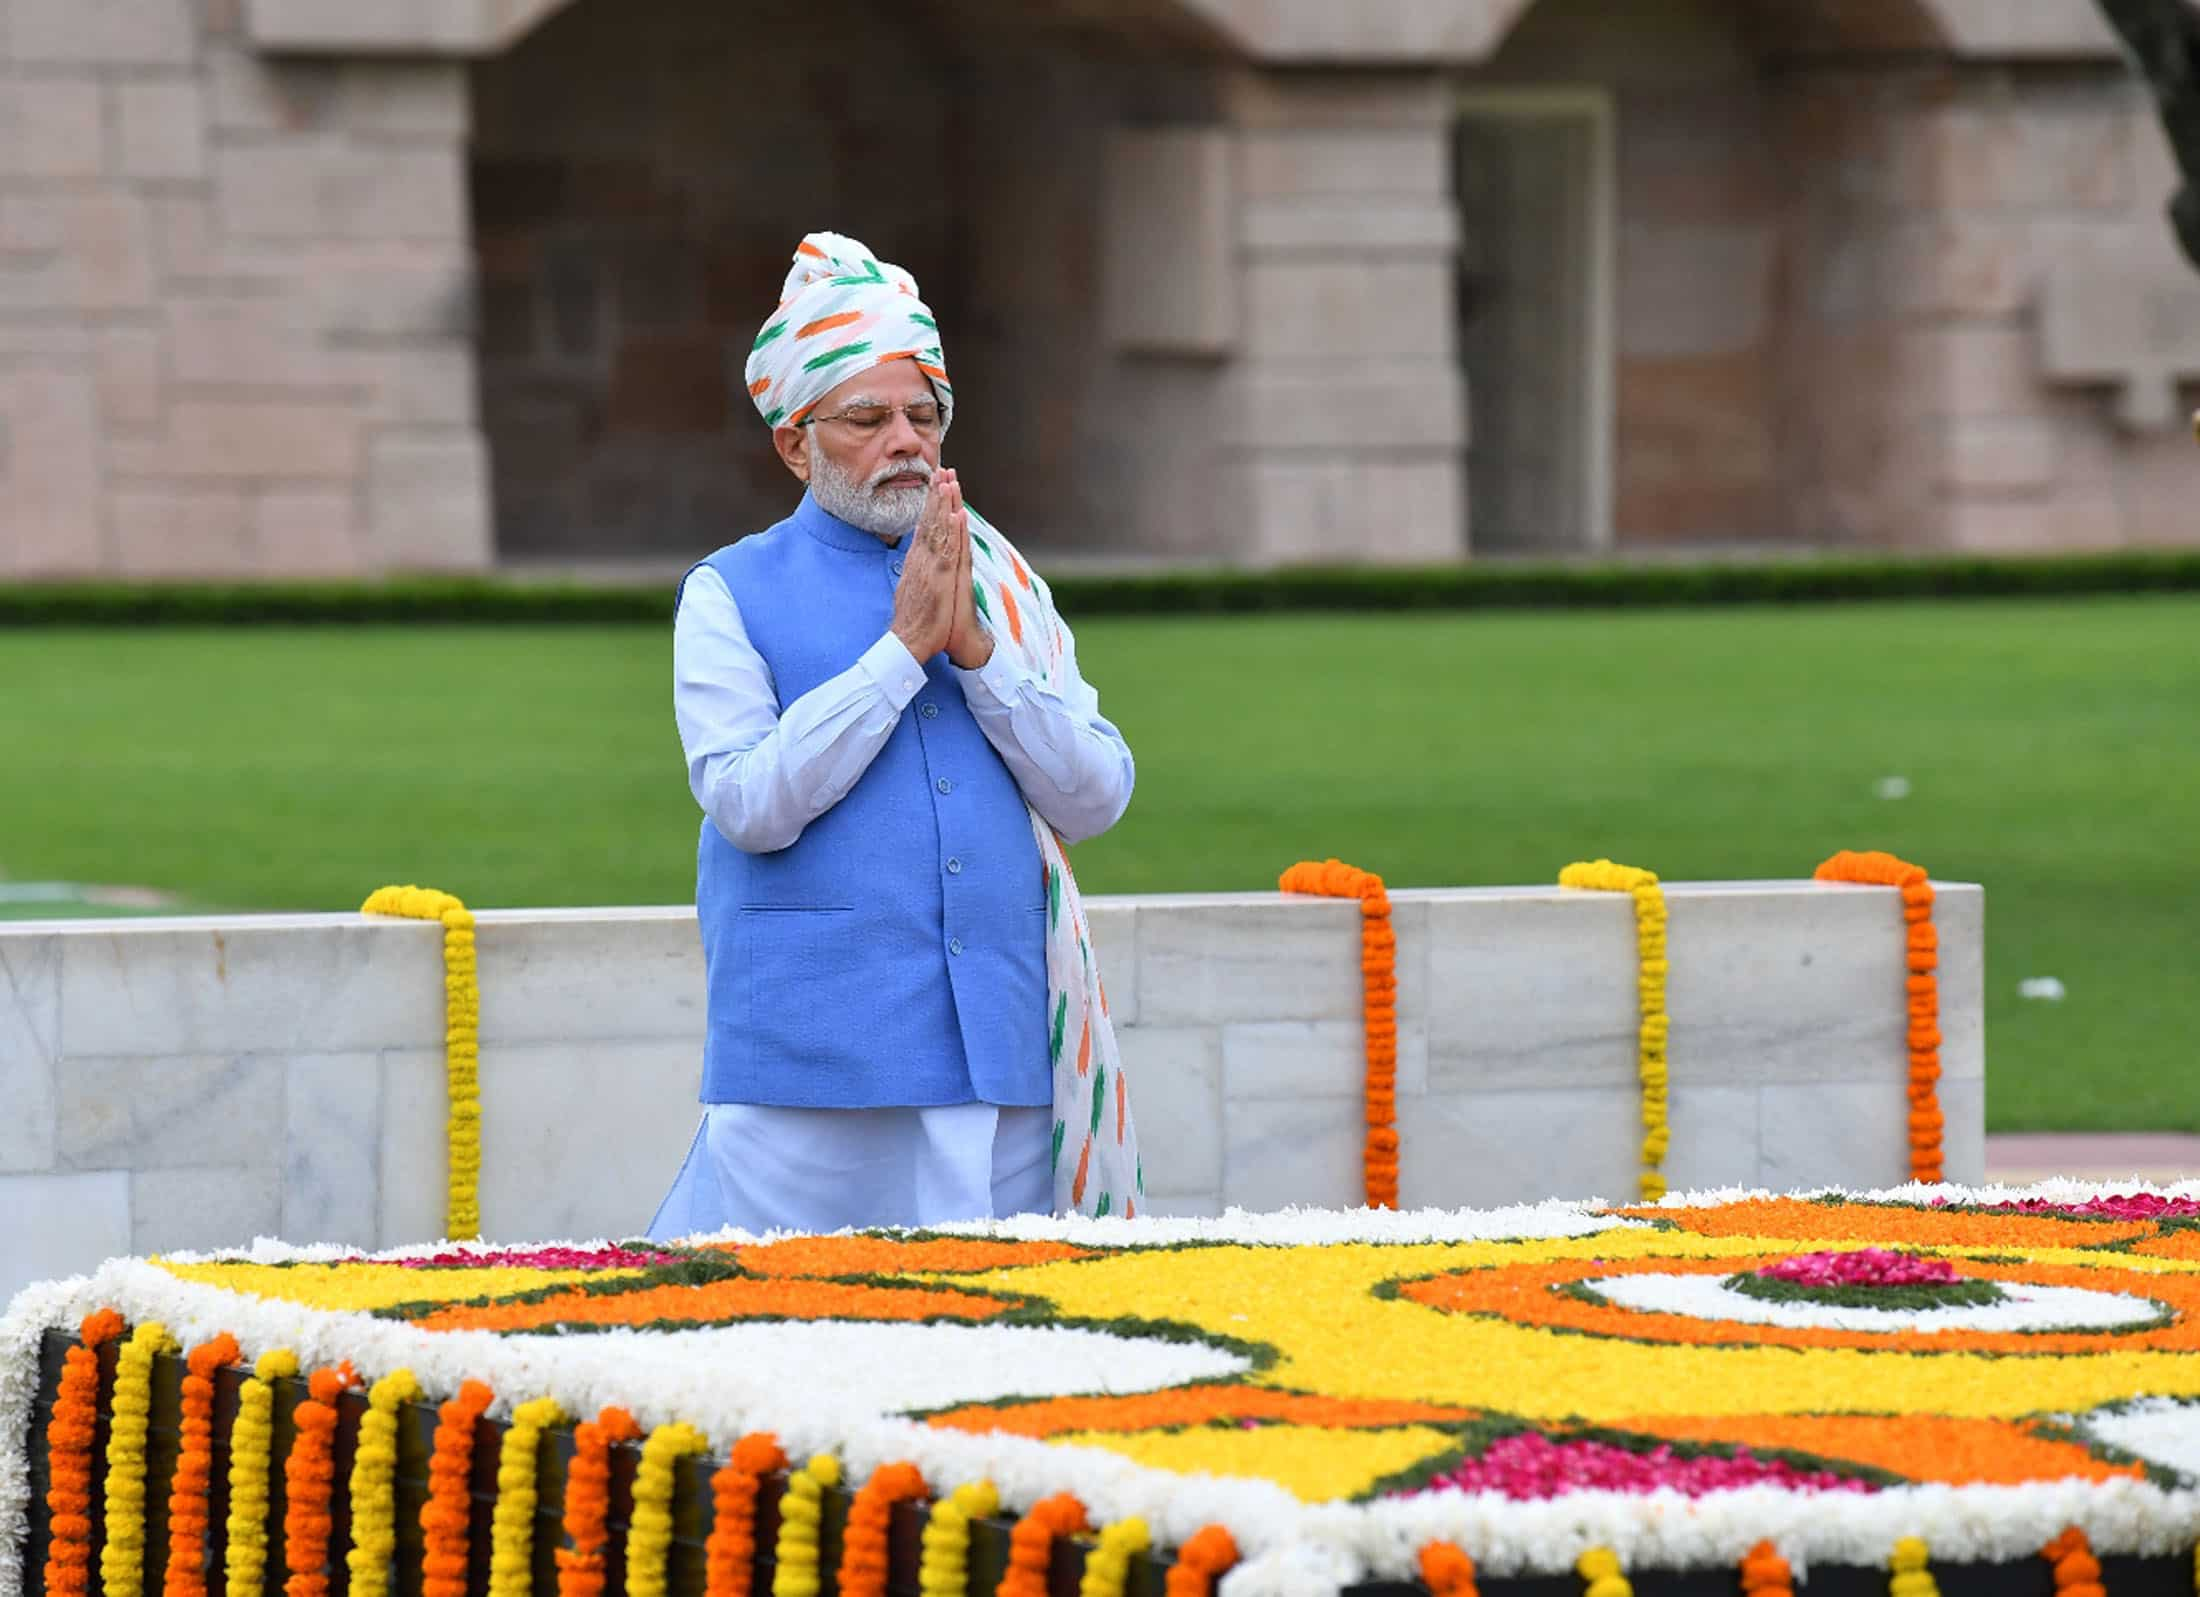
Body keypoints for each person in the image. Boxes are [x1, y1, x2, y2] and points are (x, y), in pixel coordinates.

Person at [647, 231, 1144, 1238]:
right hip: (808, 1079)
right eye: (867, 419)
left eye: (923, 416)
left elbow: (1095, 797)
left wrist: (975, 653)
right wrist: (896, 655)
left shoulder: (999, 584)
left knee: (993, 1362)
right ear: (795, 440)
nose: (905, 441)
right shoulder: (728, 590)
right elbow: (746, 803)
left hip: (1002, 1069)